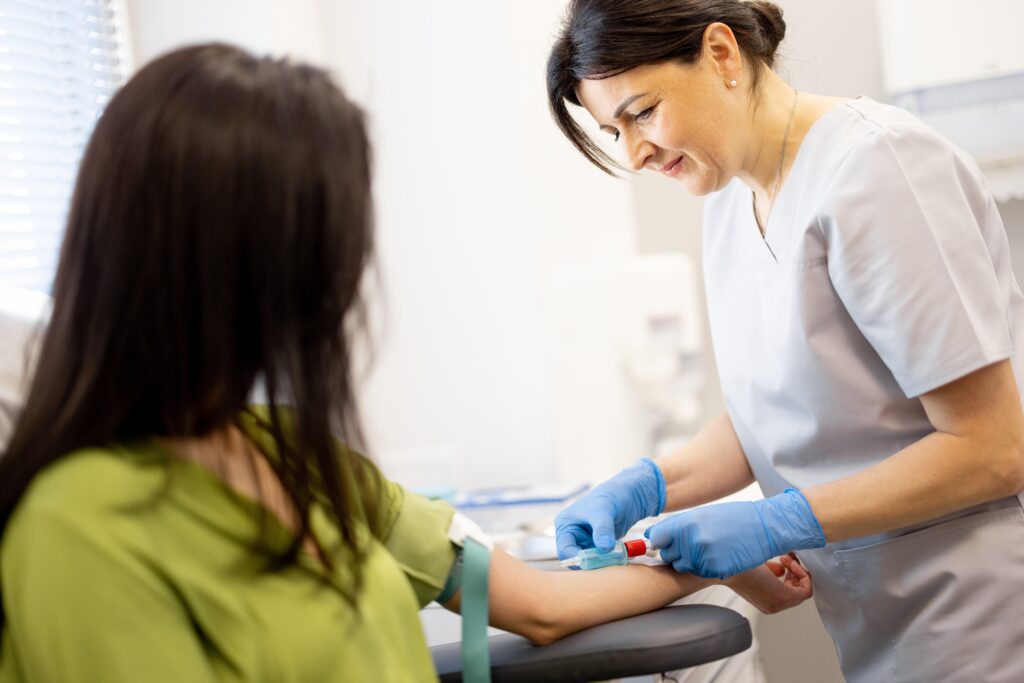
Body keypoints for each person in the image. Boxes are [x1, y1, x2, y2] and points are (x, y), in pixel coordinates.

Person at [0, 43, 811, 682]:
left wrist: (713, 560)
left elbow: (540, 603)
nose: (346, 278)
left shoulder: (293, 454)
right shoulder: (79, 529)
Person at [546, 1, 1024, 681]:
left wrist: (776, 522)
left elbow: (994, 448)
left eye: (643, 113)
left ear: (721, 53)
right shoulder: (729, 199)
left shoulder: (879, 168)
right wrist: (650, 486)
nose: (634, 153)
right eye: (612, 132)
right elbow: (777, 412)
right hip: (875, 619)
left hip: (984, 611)